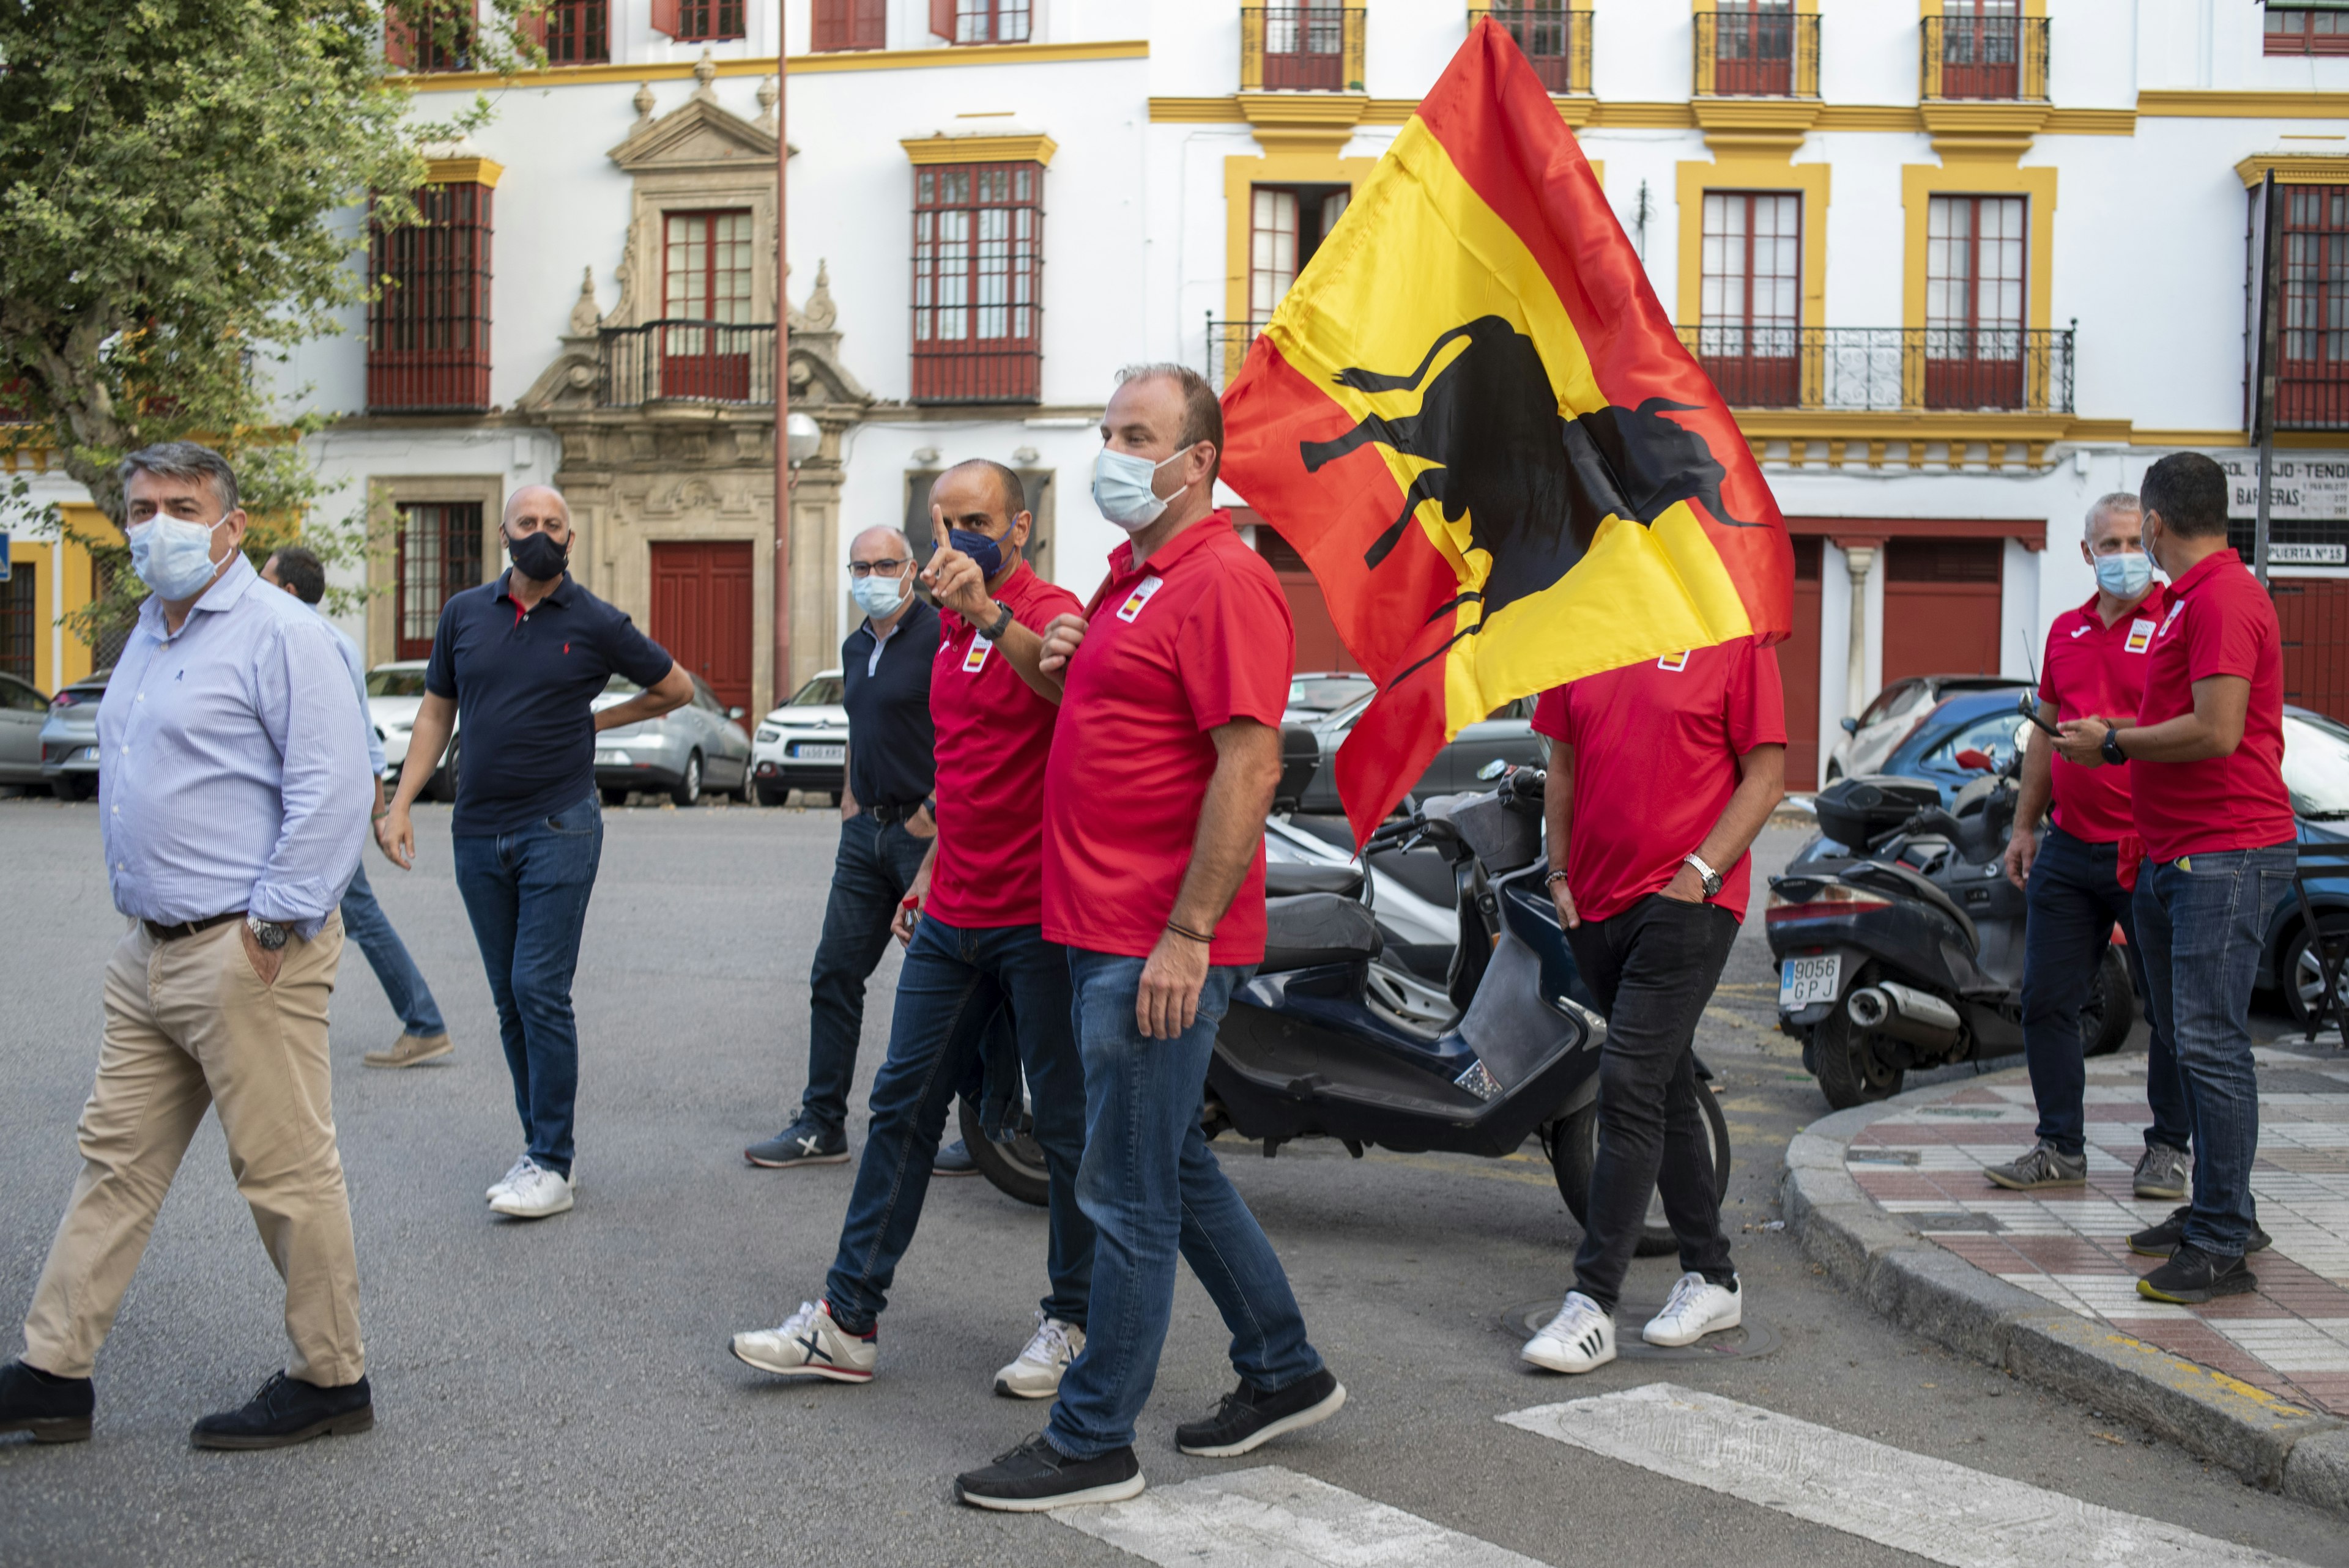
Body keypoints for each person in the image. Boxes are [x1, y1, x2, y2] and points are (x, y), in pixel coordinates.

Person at [952, 365, 1342, 1513]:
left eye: (1138, 435)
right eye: (1109, 430)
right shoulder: (1130, 578)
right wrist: (1019, 634)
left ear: (1197, 460)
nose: (1112, 453)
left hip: (1149, 940)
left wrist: (1187, 934)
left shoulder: (1224, 580)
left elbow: (1249, 766)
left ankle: (1093, 1439)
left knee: (1124, 1192)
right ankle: (1283, 1366)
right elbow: (1077, 710)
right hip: (1095, 926)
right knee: (1164, 1160)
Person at [0, 442, 375, 1450]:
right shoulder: (150, 631)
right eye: (141, 508)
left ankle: (332, 1376)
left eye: (181, 506)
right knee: (114, 1162)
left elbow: (336, 787)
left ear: (231, 526)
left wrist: (273, 926)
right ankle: (53, 1371)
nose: (156, 525)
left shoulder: (282, 633)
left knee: (285, 1172)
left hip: (247, 950)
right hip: (151, 954)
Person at [730, 460, 1094, 1399]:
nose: (954, 538)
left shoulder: (1046, 609)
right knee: (900, 1107)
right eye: (942, 521)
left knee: (1062, 1123)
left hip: (1039, 914)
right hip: (955, 905)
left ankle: (1074, 1320)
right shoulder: (943, 635)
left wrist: (991, 616)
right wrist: (929, 871)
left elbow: (1069, 696)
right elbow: (965, 769)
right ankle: (847, 1321)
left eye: (975, 519)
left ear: (1018, 529)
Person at [379, 485, 692, 1220]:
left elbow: (674, 687)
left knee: (538, 988)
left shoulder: (595, 620)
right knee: (509, 998)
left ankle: (553, 1159)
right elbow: (437, 711)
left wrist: (596, 721)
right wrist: (400, 801)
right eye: (529, 523)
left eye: (555, 525)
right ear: (505, 532)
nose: (542, 534)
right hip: (476, 830)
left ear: (571, 541)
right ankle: (541, 1150)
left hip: (559, 825)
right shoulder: (464, 613)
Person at [2055, 453, 2296, 1304]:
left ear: (2155, 524)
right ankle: (2220, 1210)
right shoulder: (2195, 599)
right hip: (2179, 851)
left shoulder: (2222, 598)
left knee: (2212, 1043)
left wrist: (2115, 742)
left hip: (2223, 851)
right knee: (2193, 1038)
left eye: (2139, 532)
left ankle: (2222, 1240)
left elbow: (2219, 730)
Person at [1517, 639, 1787, 1375]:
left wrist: (1698, 875)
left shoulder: (1733, 634)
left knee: (1629, 1080)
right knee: (1664, 1084)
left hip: (1686, 904)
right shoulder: (1586, 629)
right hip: (1594, 907)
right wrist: (1559, 872)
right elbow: (1564, 764)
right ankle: (1713, 1276)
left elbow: (1766, 778)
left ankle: (1592, 1303)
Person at [746, 525, 981, 1178]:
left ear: (911, 569)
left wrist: (936, 809)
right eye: (860, 566)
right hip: (865, 836)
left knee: (957, 986)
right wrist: (851, 797)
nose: (871, 576)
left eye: (884, 564)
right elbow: (862, 724)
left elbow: (971, 728)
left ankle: (991, 1130)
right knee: (835, 974)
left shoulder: (940, 636)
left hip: (926, 835)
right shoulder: (855, 646)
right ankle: (822, 1124)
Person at [1987, 496, 2189, 1199]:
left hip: (2150, 846)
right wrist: (2024, 825)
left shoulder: (2176, 620)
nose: (2125, 555)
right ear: (2087, 552)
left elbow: (2196, 724)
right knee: (2046, 999)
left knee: (2168, 1009)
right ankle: (2059, 1147)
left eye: (2136, 541)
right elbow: (2044, 734)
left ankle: (2168, 1149)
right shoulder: (2066, 631)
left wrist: (2116, 738)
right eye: (2111, 543)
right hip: (2070, 847)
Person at [261, 546, 453, 1070]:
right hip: (321, 809)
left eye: (264, 579)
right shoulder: (328, 642)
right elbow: (365, 740)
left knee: (345, 914)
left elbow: (362, 739)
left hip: (313, 811)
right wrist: (377, 814)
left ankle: (424, 1022)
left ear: (288, 592)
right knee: (303, 912)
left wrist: (381, 815)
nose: (254, 588)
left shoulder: (311, 644)